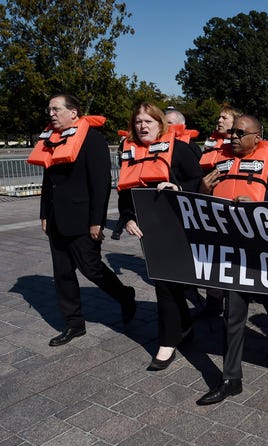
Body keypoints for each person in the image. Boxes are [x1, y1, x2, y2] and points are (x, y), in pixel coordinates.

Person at [195, 115, 268, 406]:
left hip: (263, 253)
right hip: (232, 252)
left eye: (240, 132)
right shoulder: (218, 165)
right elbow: (201, 208)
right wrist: (202, 190)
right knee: (232, 315)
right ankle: (230, 379)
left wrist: (262, 208)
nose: (233, 136)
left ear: (257, 138)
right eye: (231, 132)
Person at [27, 93, 136, 346]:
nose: (51, 114)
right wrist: (44, 213)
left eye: (56, 109)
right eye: (49, 110)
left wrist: (96, 221)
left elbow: (100, 184)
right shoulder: (53, 139)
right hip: (56, 219)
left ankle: (125, 295)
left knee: (92, 268)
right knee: (63, 274)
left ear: (73, 112)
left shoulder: (92, 139)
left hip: (82, 219)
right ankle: (74, 324)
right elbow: (48, 180)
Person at [117, 102, 203, 370]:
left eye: (149, 122)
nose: (142, 126)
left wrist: (177, 186)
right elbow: (123, 192)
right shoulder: (128, 151)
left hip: (178, 226)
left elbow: (200, 181)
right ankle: (185, 325)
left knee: (165, 283)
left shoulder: (178, 148)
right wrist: (127, 217)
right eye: (138, 122)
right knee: (167, 281)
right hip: (148, 229)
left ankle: (167, 342)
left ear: (160, 125)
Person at [196, 106, 244, 318]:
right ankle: (214, 303)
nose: (219, 120)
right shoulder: (211, 147)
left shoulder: (244, 148)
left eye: (224, 117)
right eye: (218, 117)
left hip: (239, 213)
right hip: (214, 212)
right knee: (214, 258)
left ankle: (238, 301)